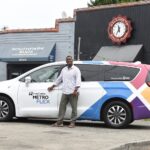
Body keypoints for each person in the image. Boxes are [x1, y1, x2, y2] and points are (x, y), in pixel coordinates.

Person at [47, 56, 81, 128]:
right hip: (65, 91)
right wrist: (52, 86)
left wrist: (75, 90)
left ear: (72, 60)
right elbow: (59, 79)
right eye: (67, 60)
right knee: (62, 107)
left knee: (74, 108)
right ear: (66, 61)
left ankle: (72, 122)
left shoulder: (76, 69)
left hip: (73, 92)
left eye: (70, 59)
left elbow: (78, 80)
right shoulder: (64, 69)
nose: (69, 61)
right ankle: (59, 122)